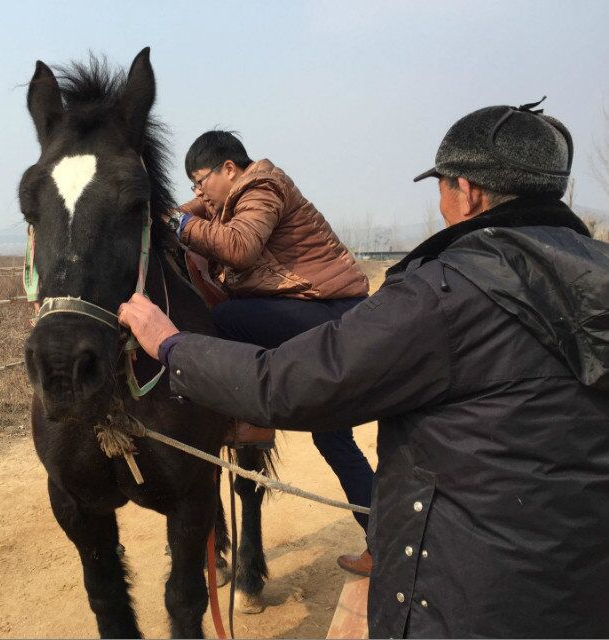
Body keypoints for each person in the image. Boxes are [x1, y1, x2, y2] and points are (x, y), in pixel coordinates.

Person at [119, 100, 609, 637]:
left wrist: (173, 345)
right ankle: (375, 534)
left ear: (467, 192)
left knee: (233, 321)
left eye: (441, 186)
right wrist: (183, 203)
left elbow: (287, 380)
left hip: (471, 604)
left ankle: (241, 423)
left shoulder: (442, 293)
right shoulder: (593, 272)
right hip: (583, 588)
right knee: (335, 439)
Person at [169, 130, 376, 574]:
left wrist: (182, 227)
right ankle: (386, 543)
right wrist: (165, 214)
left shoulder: (263, 188)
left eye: (201, 181)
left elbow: (240, 248)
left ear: (229, 169)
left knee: (227, 317)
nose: (198, 192)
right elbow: (188, 212)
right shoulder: (227, 198)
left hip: (330, 310)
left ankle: (245, 410)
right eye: (193, 186)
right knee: (333, 439)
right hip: (320, 310)